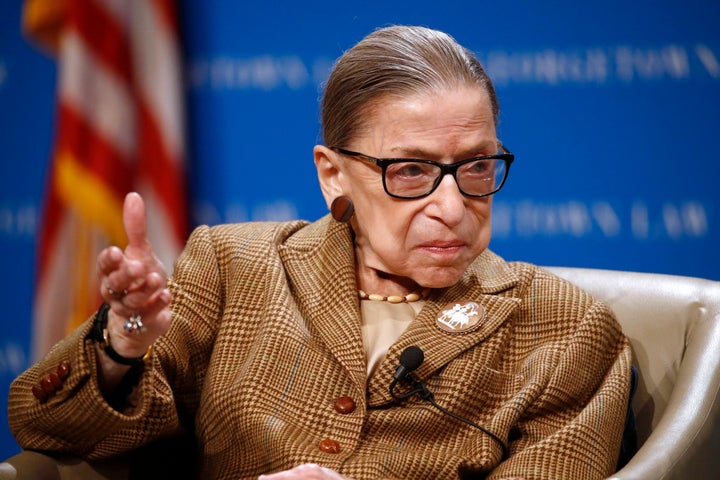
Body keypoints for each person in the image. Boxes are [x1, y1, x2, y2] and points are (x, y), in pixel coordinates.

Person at [8, 25, 632, 479]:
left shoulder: (563, 328)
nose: (451, 204)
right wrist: (123, 345)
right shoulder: (233, 267)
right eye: (410, 171)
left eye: (475, 166)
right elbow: (47, 427)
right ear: (333, 174)